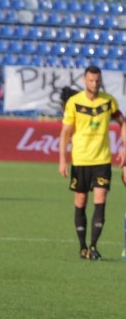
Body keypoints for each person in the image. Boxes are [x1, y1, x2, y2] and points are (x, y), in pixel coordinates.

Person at [59, 65, 126, 260]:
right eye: (91, 80)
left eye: (97, 81)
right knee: (80, 201)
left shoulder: (108, 101)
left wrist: (124, 147)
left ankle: (94, 246)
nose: (94, 84)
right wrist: (62, 159)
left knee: (100, 201)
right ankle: (83, 247)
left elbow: (123, 122)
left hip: (102, 160)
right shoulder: (74, 102)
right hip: (80, 160)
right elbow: (65, 132)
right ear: (84, 81)